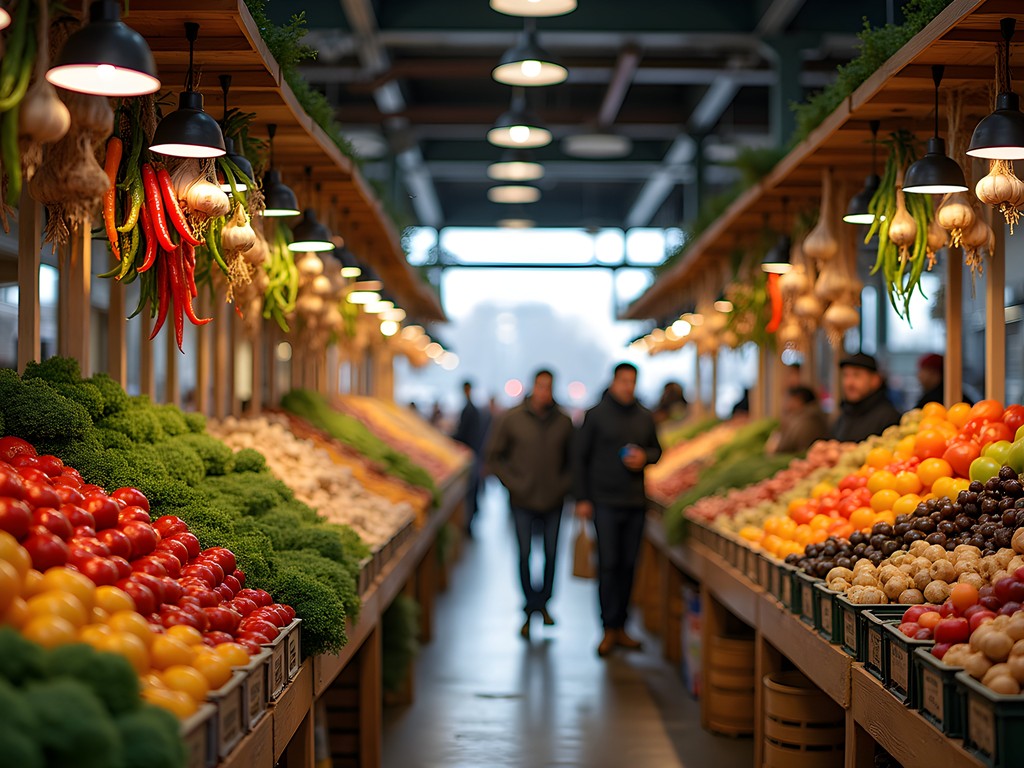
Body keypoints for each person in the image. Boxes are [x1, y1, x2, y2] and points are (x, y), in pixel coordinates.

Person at [573, 362, 662, 658]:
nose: (627, 387)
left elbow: (657, 450)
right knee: (608, 565)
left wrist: (645, 457)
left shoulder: (644, 416)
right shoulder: (595, 415)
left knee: (629, 565)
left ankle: (622, 625)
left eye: (632, 382)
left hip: (635, 502)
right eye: (623, 381)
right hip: (604, 501)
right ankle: (607, 627)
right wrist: (582, 498)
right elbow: (580, 458)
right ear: (613, 382)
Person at [487, 370, 574, 639]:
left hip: (554, 501)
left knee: (551, 555)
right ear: (532, 387)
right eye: (540, 386)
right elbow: (493, 456)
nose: (544, 392)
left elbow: (574, 459)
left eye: (548, 387)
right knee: (524, 554)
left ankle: (543, 604)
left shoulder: (564, 421)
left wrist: (564, 486)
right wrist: (513, 483)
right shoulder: (512, 419)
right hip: (522, 500)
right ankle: (529, 607)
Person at [832, 353, 902, 443]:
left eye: (856, 375)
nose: (849, 383)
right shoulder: (845, 413)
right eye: (845, 375)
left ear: (875, 380)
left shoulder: (889, 418)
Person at [452, 381, 487, 535]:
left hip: (471, 454)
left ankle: (469, 524)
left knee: (471, 491)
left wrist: (451, 437)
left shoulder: (469, 409)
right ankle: (470, 522)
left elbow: (463, 434)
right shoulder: (473, 408)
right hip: (474, 454)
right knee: (472, 491)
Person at [768, 386, 830, 455]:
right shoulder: (800, 418)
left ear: (798, 400)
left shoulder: (808, 421)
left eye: (787, 399)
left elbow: (778, 449)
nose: (785, 405)